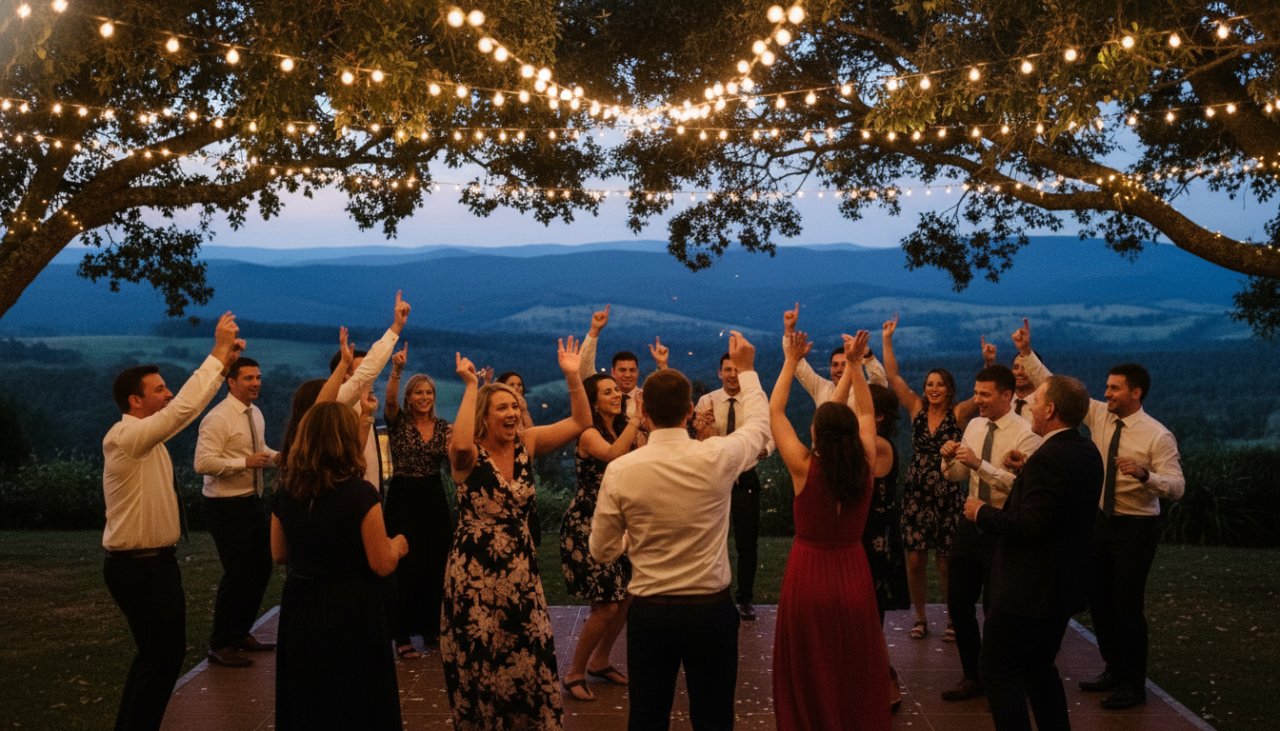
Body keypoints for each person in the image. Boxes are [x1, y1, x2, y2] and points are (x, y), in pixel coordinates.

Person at [592, 331, 770, 731]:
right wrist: (748, 371)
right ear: (691, 410)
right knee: (714, 717)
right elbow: (759, 425)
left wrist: (630, 539)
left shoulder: (621, 470)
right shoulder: (717, 456)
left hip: (651, 613)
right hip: (711, 611)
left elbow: (601, 551)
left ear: (643, 409)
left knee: (648, 717)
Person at [1015, 341, 1185, 710]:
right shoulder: (1100, 416)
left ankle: (1134, 685)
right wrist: (1027, 355)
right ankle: (1113, 668)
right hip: (1101, 523)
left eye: (1114, 388)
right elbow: (1055, 388)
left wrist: (1146, 475)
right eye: (1106, 387)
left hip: (1137, 527)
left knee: (1127, 604)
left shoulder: (1157, 434)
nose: (1105, 393)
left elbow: (1177, 486)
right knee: (1099, 600)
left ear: (1135, 392)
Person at [102, 312, 243, 731]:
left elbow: (181, 409)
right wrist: (218, 355)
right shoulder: (125, 438)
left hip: (153, 565)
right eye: (159, 389)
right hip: (138, 567)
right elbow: (184, 410)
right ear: (135, 401)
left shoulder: (148, 440)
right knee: (161, 658)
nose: (167, 394)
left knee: (156, 657)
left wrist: (223, 364)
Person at [442, 338, 592, 730]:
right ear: (484, 417)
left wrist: (573, 378)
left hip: (520, 570)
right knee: (483, 658)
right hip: (475, 573)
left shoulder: (527, 442)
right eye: (503, 408)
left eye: (514, 405)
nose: (513, 413)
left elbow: (580, 423)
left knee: (528, 651)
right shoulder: (469, 454)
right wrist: (473, 385)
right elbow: (458, 444)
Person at [963, 375, 1103, 731]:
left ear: (1051, 410)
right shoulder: (1086, 451)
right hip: (1061, 586)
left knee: (996, 669)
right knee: (1039, 668)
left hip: (1028, 588)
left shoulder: (1049, 458)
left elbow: (1030, 526)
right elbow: (1060, 506)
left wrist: (981, 512)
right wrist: (1025, 472)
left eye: (1035, 401)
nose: (1029, 406)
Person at [769, 329, 890, 731]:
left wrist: (790, 361)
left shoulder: (804, 467)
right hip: (853, 572)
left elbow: (776, 413)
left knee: (809, 666)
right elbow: (868, 414)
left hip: (809, 573)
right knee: (850, 665)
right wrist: (855, 367)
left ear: (817, 434)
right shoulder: (866, 465)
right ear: (852, 434)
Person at [270, 402, 408, 730]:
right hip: (351, 605)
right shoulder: (360, 495)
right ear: (344, 440)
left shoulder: (287, 492)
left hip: (302, 605)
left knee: (308, 695)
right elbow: (381, 563)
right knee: (356, 697)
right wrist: (399, 546)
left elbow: (278, 553)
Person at [937, 365, 1042, 702]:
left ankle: (1002, 676)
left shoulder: (1026, 434)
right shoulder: (975, 425)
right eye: (977, 392)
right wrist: (948, 460)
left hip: (1002, 525)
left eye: (985, 394)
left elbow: (1022, 486)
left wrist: (980, 465)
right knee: (959, 599)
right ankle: (972, 675)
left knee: (998, 607)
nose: (978, 400)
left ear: (1007, 395)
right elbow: (956, 476)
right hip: (971, 523)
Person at [881, 314, 974, 641]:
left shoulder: (959, 414)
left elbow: (984, 394)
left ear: (949, 390)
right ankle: (919, 618)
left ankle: (952, 618)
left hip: (949, 492)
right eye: (929, 384)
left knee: (946, 561)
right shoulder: (917, 410)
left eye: (940, 384)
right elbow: (893, 377)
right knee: (916, 558)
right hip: (917, 493)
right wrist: (888, 340)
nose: (933, 388)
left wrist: (990, 360)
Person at [558, 373, 646, 701]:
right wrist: (637, 419)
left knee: (626, 596)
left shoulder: (623, 427)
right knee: (606, 605)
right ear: (593, 401)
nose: (615, 394)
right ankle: (574, 673)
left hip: (618, 524)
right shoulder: (588, 433)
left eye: (616, 391)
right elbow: (612, 457)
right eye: (607, 392)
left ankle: (600, 660)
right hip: (586, 524)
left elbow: (642, 457)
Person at [194, 356, 279, 668]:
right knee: (238, 572)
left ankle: (241, 632)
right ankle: (219, 643)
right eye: (248, 378)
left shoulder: (254, 413)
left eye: (258, 377)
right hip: (224, 505)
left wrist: (277, 457)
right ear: (231, 382)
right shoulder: (217, 418)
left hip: (251, 501)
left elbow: (259, 450)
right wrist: (243, 464)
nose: (256, 383)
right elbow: (202, 463)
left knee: (262, 568)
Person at [383, 343, 453, 658]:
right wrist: (397, 371)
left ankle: (431, 627)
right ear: (409, 398)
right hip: (403, 496)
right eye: (418, 393)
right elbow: (388, 401)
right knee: (405, 565)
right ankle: (402, 635)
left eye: (429, 393)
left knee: (436, 563)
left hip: (433, 495)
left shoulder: (443, 428)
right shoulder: (399, 424)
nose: (424, 397)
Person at [694, 351, 775, 621]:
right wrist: (702, 431)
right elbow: (698, 438)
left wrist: (761, 450)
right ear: (720, 373)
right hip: (712, 478)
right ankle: (709, 595)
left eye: (736, 370)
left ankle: (745, 599)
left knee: (746, 542)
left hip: (745, 477)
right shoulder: (707, 401)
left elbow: (769, 436)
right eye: (727, 370)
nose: (731, 375)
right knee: (707, 538)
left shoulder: (756, 401)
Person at [328, 291, 411, 490]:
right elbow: (367, 373)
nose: (367, 377)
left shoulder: (367, 406)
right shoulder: (338, 404)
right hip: (348, 492)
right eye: (358, 371)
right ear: (345, 377)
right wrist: (396, 327)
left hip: (372, 490)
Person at [865, 383, 911, 710]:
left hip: (874, 539)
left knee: (869, 617)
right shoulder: (873, 442)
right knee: (867, 616)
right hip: (871, 534)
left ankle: (888, 684)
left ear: (877, 415)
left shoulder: (877, 446)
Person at [781, 302, 890, 401]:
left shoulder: (863, 392)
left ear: (853, 365)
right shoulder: (821, 388)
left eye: (844, 364)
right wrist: (789, 331)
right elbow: (795, 363)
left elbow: (880, 383)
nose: (839, 369)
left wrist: (867, 354)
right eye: (835, 365)